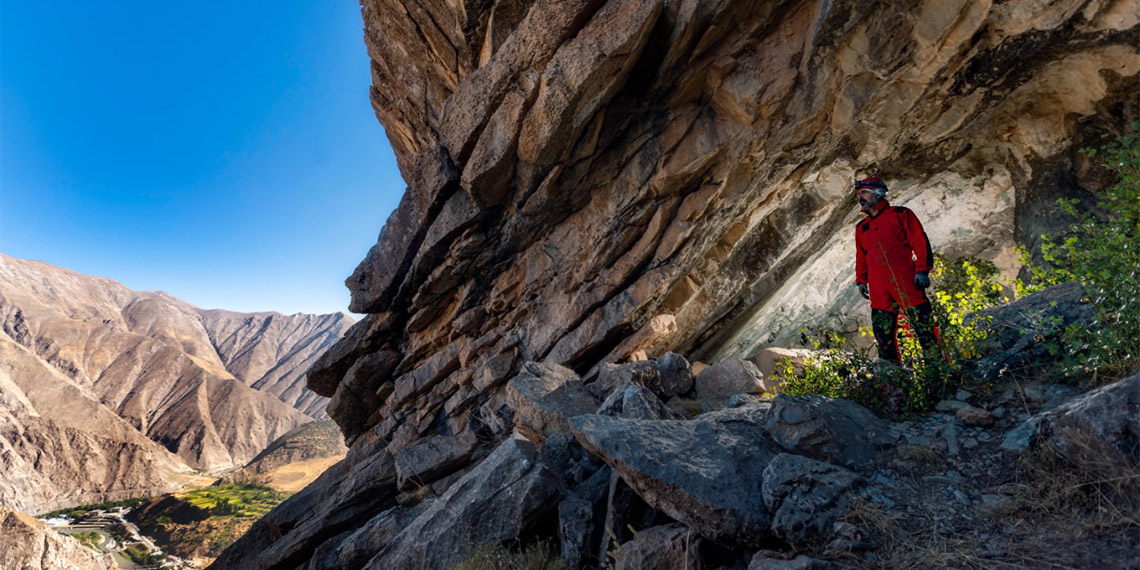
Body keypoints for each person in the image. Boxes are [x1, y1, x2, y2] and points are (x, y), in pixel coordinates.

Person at [853, 176, 939, 365]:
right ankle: (893, 386)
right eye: (859, 194)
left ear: (878, 194)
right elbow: (862, 256)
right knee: (884, 339)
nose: (861, 197)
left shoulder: (900, 214)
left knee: (924, 331)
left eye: (865, 192)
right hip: (878, 290)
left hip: (906, 281)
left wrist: (923, 270)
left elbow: (919, 241)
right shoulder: (861, 228)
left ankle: (940, 377)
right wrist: (861, 280)